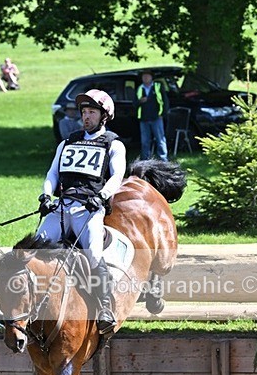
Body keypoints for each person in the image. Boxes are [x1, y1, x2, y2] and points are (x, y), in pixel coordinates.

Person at [36, 89, 126, 334]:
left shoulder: (114, 144)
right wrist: (46, 195)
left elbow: (117, 176)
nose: (86, 117)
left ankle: (105, 309)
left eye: (91, 112)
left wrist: (101, 197)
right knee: (34, 250)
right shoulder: (68, 141)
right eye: (84, 112)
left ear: (103, 116)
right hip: (62, 208)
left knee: (94, 255)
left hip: (89, 211)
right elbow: (52, 173)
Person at [134, 69, 169, 160]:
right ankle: (145, 161)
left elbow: (165, 101)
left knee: (160, 140)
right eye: (144, 76)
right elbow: (134, 103)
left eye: (147, 76)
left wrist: (163, 114)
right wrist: (140, 101)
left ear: (151, 77)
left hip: (156, 117)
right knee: (145, 142)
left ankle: (164, 160)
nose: (145, 78)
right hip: (144, 119)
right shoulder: (139, 88)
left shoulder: (158, 86)